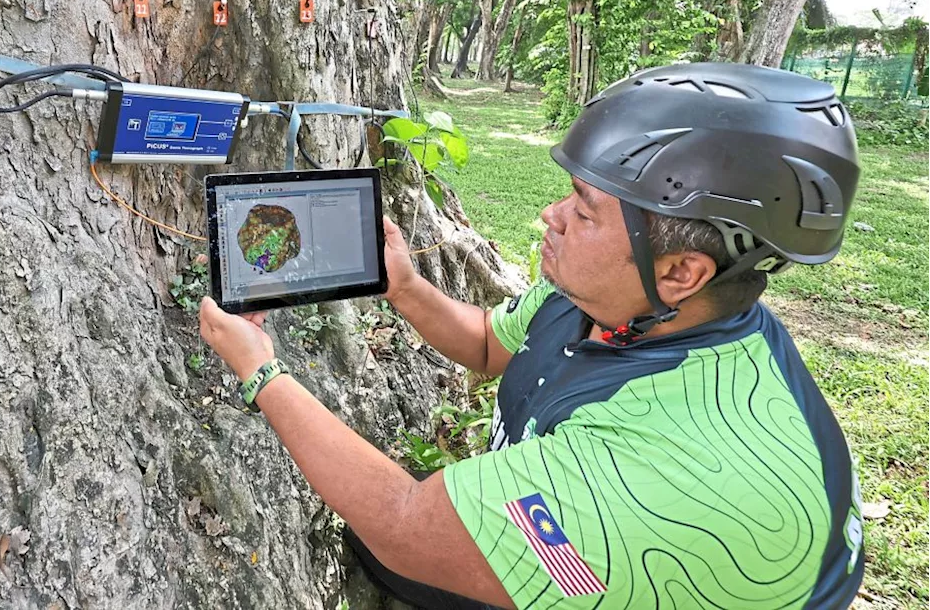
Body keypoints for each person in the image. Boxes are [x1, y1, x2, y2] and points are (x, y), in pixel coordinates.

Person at [198, 63, 865, 609]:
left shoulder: (672, 470)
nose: (552, 215)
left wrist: (262, 372)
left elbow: (404, 524)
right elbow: (491, 343)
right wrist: (404, 287)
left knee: (392, 551)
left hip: (630, 536)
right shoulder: (618, 296)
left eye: (584, 207)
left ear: (681, 271)